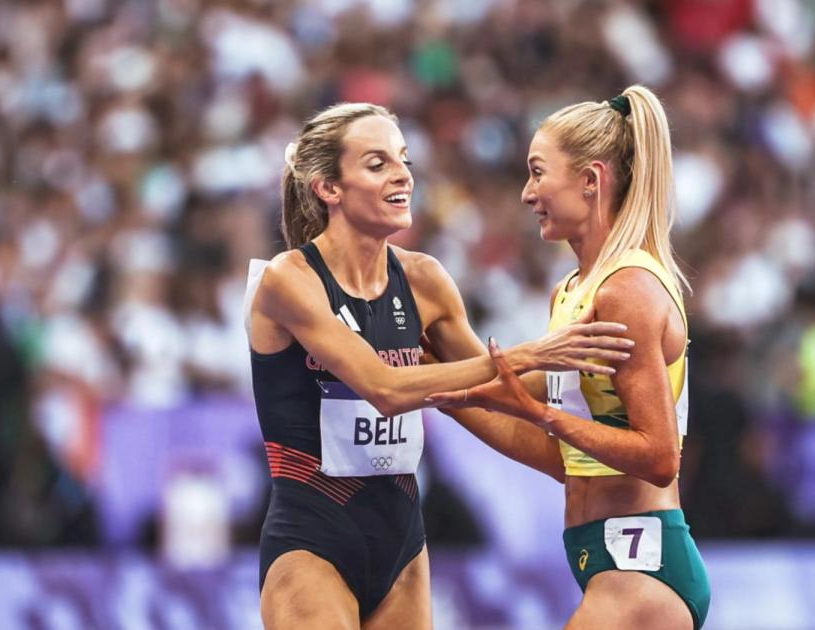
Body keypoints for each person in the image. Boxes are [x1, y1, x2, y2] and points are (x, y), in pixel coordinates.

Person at [245, 102, 635, 630]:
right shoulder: (288, 279)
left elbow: (498, 384)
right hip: (311, 540)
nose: (403, 174)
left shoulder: (425, 280)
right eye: (377, 163)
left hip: (403, 543)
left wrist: (601, 356)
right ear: (328, 188)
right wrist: (534, 352)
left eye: (403, 159)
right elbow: (384, 388)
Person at [427, 86, 711, 629]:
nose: (526, 193)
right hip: (601, 557)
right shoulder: (571, 291)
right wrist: (446, 393)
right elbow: (563, 460)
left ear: (590, 180)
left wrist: (540, 414)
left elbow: (659, 457)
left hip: (641, 568)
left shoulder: (626, 289)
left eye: (538, 172)